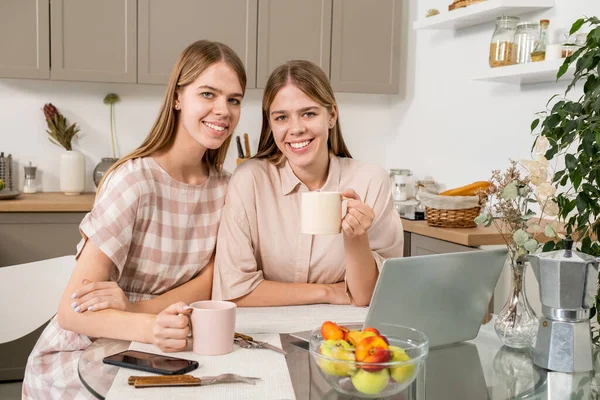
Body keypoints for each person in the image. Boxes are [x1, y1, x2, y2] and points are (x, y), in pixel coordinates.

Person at [22, 40, 246, 399]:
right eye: (208, 94)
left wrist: (136, 309)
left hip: (164, 343)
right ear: (177, 97)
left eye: (233, 100)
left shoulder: (226, 188)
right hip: (86, 354)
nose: (223, 110)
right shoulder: (133, 181)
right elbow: (71, 313)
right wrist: (148, 325)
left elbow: (211, 280)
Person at [212, 60, 403, 307]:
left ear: (332, 115)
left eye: (309, 113)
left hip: (344, 333)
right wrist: (327, 292)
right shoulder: (250, 180)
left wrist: (356, 238)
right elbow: (234, 291)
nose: (296, 129)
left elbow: (369, 296)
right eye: (281, 117)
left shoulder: (371, 182)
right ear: (271, 124)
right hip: (264, 332)